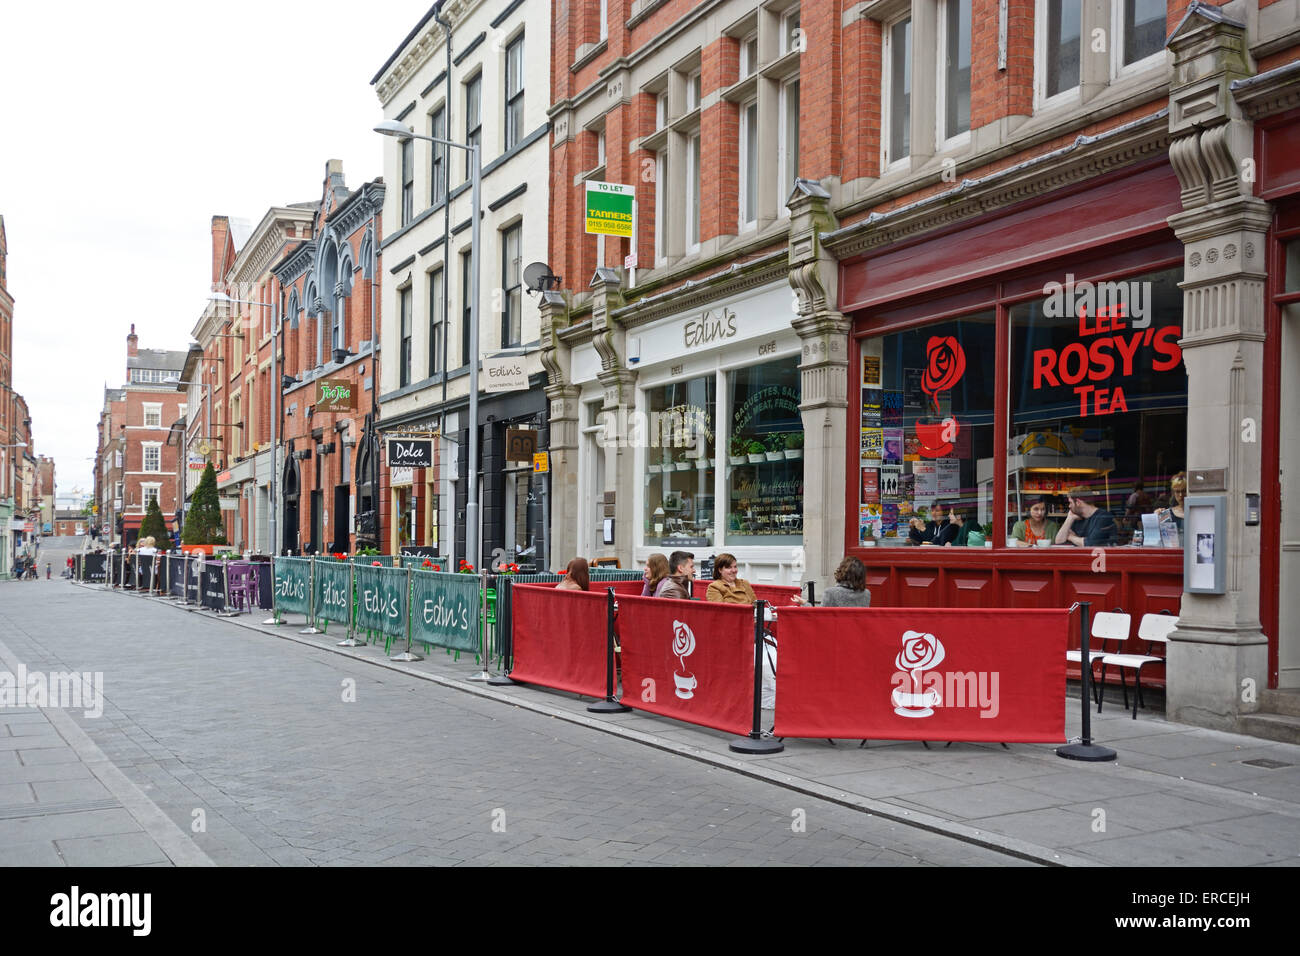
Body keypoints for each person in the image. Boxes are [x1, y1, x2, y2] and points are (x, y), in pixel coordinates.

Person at [1156, 471, 1186, 537]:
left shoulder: (1196, 513)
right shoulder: (1167, 514)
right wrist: (1155, 517)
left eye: (1184, 491)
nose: (1181, 495)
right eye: (1177, 492)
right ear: (1173, 493)